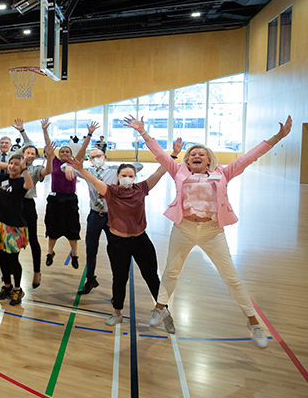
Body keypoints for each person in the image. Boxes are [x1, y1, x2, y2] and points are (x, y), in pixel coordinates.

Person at [129, 115, 292, 348]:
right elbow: (159, 154)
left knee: (231, 278)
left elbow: (250, 156)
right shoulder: (178, 171)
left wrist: (276, 138)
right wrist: (143, 132)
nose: (196, 155)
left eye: (201, 154)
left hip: (212, 232)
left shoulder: (223, 173)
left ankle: (254, 323)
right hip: (183, 229)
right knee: (171, 271)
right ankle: (159, 308)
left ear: (208, 160)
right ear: (187, 160)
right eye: (192, 153)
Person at [70, 156, 169, 326]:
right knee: (119, 278)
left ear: (135, 177)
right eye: (124, 175)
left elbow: (160, 172)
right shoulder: (110, 191)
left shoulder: (141, 188)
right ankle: (117, 313)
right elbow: (93, 180)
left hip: (140, 241)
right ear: (117, 176)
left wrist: (172, 156)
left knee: (152, 276)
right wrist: (81, 169)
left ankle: (163, 311)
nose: (128, 178)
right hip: (118, 243)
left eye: (131, 176)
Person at [76, 144, 146, 295]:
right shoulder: (88, 172)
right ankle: (90, 279)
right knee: (90, 248)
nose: (96, 159)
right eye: (92, 157)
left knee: (115, 251)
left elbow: (138, 166)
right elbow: (67, 168)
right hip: (95, 214)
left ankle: (117, 289)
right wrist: (67, 168)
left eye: (99, 156)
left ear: (105, 157)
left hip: (113, 216)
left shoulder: (115, 171)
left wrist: (122, 168)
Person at [41, 118, 97, 270]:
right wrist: (45, 130)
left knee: (73, 229)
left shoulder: (75, 163)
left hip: (70, 199)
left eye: (67, 152)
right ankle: (50, 252)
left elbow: (83, 149)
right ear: (58, 154)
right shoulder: (54, 162)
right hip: (55, 198)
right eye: (62, 152)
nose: (65, 153)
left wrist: (89, 133)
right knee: (52, 228)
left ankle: (75, 254)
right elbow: (48, 146)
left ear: (71, 154)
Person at [0, 149, 33, 306]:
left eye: (16, 164)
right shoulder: (5, 178)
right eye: (11, 163)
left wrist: (25, 169)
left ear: (21, 168)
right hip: (1, 225)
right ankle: (7, 286)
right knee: (1, 258)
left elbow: (29, 184)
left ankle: (18, 289)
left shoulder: (21, 182)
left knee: (13, 260)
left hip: (15, 227)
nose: (12, 166)